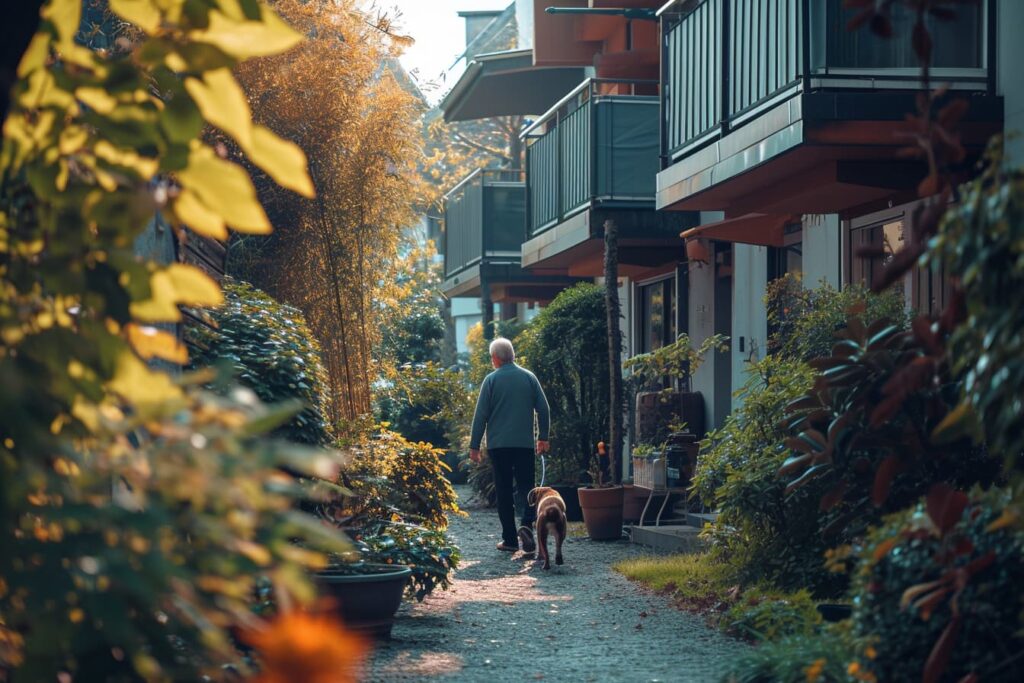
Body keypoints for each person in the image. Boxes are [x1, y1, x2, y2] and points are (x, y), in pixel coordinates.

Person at [469, 337, 550, 553]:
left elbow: (481, 416)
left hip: (499, 446)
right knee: (528, 488)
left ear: (496, 358)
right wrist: (543, 437)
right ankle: (526, 524)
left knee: (504, 491)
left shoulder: (491, 380)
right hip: (524, 444)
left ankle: (510, 540)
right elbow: (544, 408)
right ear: (511, 355)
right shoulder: (529, 377)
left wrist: (474, 446)